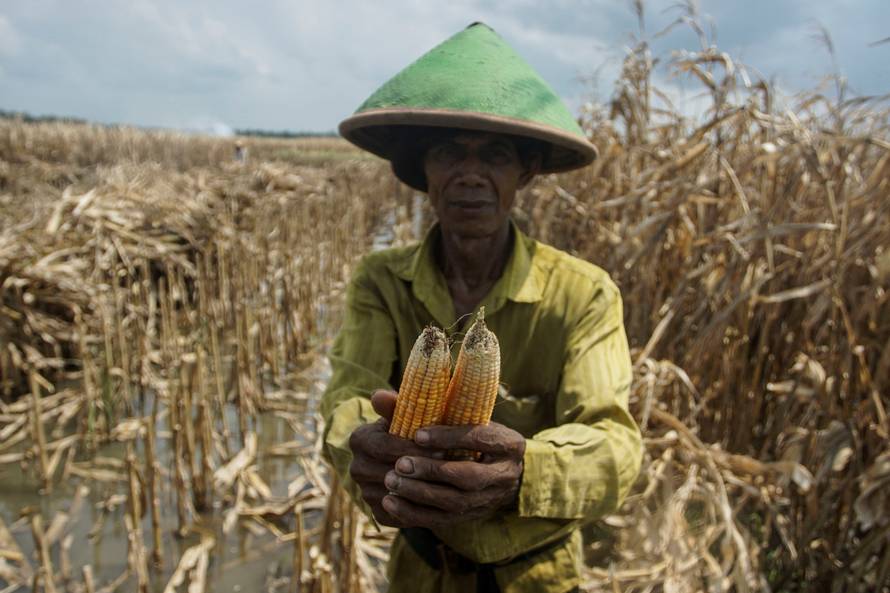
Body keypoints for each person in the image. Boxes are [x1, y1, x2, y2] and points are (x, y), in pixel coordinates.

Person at [321, 22, 642, 593]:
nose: (471, 174)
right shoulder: (380, 281)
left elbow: (614, 447)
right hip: (421, 569)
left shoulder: (584, 293)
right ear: (424, 172)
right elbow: (346, 398)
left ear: (527, 171)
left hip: (536, 575)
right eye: (449, 152)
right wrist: (359, 446)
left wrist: (526, 475)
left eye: (494, 154)